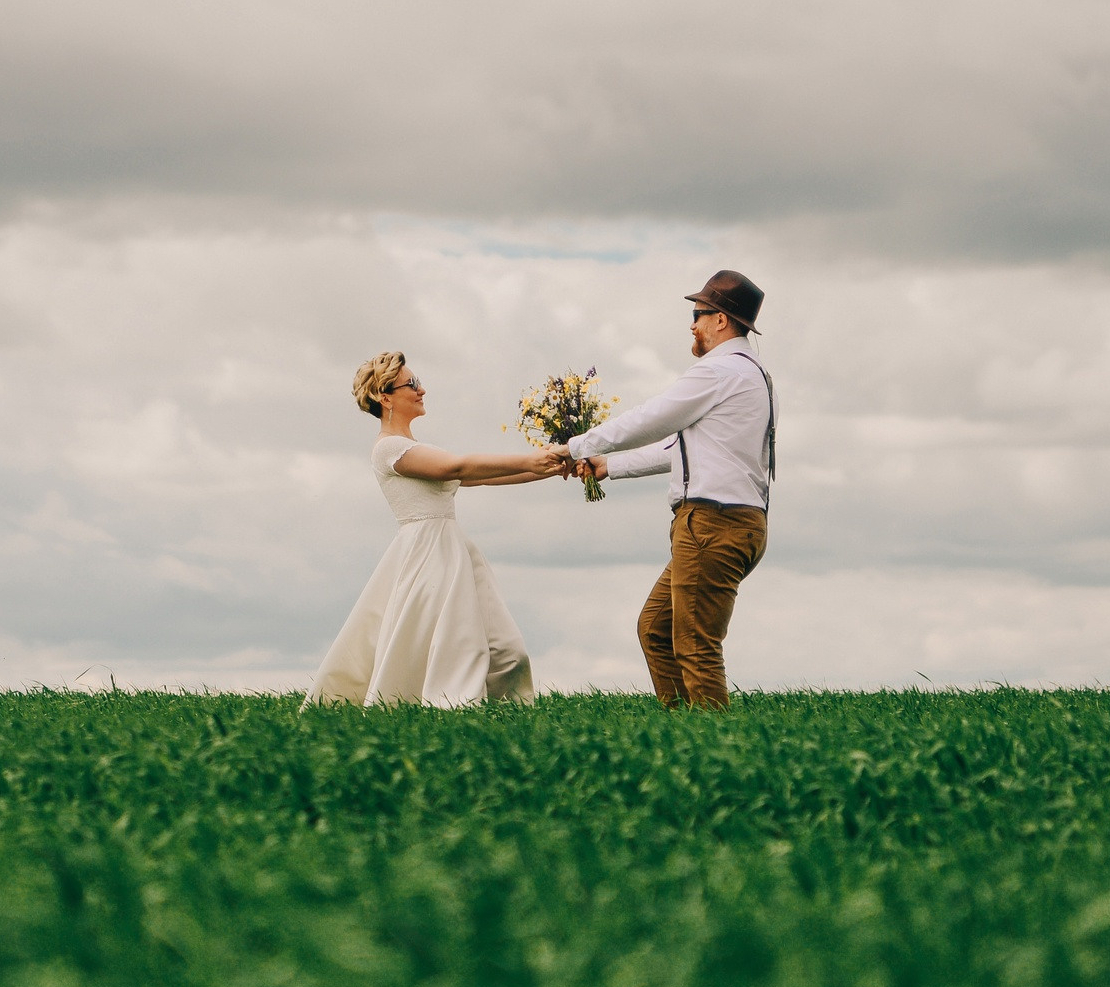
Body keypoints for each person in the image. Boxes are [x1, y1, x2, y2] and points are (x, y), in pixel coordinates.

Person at [548, 271, 776, 710]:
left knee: (695, 645)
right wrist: (608, 466)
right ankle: (681, 731)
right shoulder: (754, 375)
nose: (692, 324)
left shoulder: (719, 370)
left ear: (722, 322)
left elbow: (652, 418)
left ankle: (716, 753)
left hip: (713, 522)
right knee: (656, 627)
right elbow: (684, 448)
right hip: (735, 522)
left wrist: (576, 445)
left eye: (698, 313)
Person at [306, 352, 563, 708]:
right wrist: (533, 458)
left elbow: (480, 477)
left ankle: (506, 713)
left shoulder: (415, 447)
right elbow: (457, 466)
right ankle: (454, 710)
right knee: (458, 645)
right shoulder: (389, 448)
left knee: (507, 650)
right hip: (427, 555)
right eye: (411, 384)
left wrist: (552, 466)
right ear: (385, 397)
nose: (421, 389)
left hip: (453, 550)